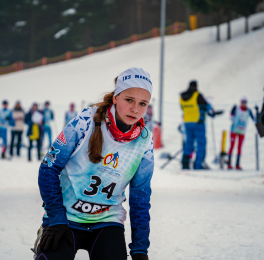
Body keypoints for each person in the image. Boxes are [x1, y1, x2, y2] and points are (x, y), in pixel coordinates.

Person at [34, 68, 154, 260]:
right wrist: (56, 218)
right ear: (115, 98)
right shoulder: (85, 121)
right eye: (129, 100)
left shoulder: (144, 140)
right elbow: (49, 167)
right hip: (66, 219)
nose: (135, 109)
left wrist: (140, 249)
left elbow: (140, 196)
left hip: (107, 222)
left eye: (143, 104)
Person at [180, 80, 215, 170]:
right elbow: (206, 106)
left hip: (187, 123)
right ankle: (197, 164)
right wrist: (211, 111)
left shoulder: (182, 97)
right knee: (201, 144)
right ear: (196, 86)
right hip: (198, 122)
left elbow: (183, 108)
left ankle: (185, 163)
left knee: (189, 143)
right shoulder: (197, 95)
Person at [227, 97, 255, 170]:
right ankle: (229, 163)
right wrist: (231, 113)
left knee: (239, 147)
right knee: (232, 146)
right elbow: (230, 118)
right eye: (242, 102)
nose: (244, 104)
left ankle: (237, 164)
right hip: (234, 130)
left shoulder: (248, 110)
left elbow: (254, 119)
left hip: (242, 131)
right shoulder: (236, 108)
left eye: (245, 102)